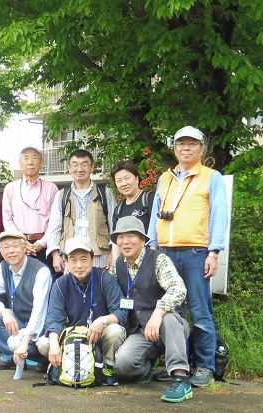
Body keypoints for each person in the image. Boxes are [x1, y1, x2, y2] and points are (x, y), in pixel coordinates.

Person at [148, 125, 229, 387]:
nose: (186, 148)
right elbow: (155, 213)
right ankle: (178, 365)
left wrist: (214, 252)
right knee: (173, 311)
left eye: (192, 143)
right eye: (181, 143)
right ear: (174, 149)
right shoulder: (165, 178)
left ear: (202, 149)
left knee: (200, 311)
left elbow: (219, 215)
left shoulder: (211, 177)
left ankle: (205, 365)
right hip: (165, 252)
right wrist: (152, 246)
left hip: (196, 252)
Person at [112, 216, 192, 403]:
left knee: (168, 319)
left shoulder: (159, 260)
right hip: (141, 331)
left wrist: (158, 313)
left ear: (142, 240)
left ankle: (180, 378)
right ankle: (147, 366)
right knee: (124, 362)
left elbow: (178, 288)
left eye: (131, 236)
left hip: (171, 326)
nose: (125, 241)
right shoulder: (118, 265)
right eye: (120, 237)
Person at [37, 237, 127, 386]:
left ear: (92, 259)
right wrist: (54, 344)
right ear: (66, 261)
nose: (79, 265)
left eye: (84, 259)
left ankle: (107, 368)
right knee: (43, 343)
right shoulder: (60, 284)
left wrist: (102, 321)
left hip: (99, 335)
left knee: (115, 331)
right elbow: (54, 319)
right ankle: (67, 366)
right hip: (73, 338)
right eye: (73, 260)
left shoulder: (105, 278)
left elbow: (121, 311)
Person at [0, 231, 52, 370]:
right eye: (6, 247)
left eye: (15, 245)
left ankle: (42, 359)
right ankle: (10, 357)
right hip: (19, 321)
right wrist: (4, 313)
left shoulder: (40, 271)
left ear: (25, 247)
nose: (11, 251)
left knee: (23, 343)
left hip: (41, 327)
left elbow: (39, 311)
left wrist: (25, 340)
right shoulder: (4, 267)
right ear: (1, 251)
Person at [46, 149, 116, 272]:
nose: (79, 169)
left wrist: (113, 254)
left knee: (99, 284)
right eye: (75, 164)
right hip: (70, 259)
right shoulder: (62, 195)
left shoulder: (105, 193)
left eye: (84, 164)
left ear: (92, 167)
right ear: (69, 167)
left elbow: (114, 226)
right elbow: (54, 228)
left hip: (100, 259)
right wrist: (55, 255)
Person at [2, 146, 59, 275]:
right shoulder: (11, 188)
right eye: (26, 158)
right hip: (18, 245)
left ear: (41, 162)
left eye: (34, 158)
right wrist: (21, 241)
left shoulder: (51, 188)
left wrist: (42, 243)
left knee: (45, 281)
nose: (30, 162)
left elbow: (55, 221)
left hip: (44, 245)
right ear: (20, 163)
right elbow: (7, 218)